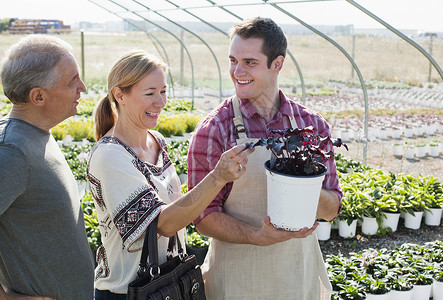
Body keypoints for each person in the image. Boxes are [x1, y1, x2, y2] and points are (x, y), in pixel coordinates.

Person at [187, 17, 342, 299]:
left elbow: (331, 209)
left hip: (298, 279)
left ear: (277, 64)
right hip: (236, 282)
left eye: (250, 62)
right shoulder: (214, 130)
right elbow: (203, 217)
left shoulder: (312, 126)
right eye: (233, 60)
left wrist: (304, 188)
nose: (237, 71)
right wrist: (256, 236)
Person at [88, 49, 254, 299]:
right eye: (150, 93)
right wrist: (217, 177)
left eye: (163, 91)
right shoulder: (110, 156)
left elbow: (175, 207)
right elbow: (162, 224)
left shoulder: (157, 141)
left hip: (167, 283)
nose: (161, 102)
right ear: (120, 95)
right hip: (128, 292)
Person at [0, 35, 94, 299]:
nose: (83, 88)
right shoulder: (12, 152)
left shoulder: (37, 134)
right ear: (38, 96)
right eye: (72, 81)